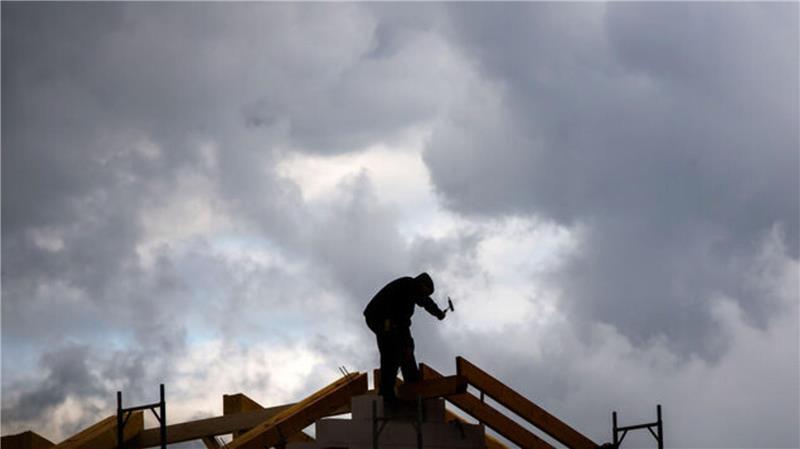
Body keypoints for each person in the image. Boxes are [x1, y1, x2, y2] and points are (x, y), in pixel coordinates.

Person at [363, 272, 447, 402]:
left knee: (404, 348)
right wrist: (438, 313)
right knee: (392, 352)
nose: (424, 296)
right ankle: (388, 392)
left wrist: (437, 313)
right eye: (425, 292)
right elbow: (425, 302)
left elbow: (406, 321)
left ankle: (410, 382)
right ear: (421, 285)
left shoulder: (410, 292)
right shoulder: (408, 285)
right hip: (381, 318)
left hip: (389, 320)